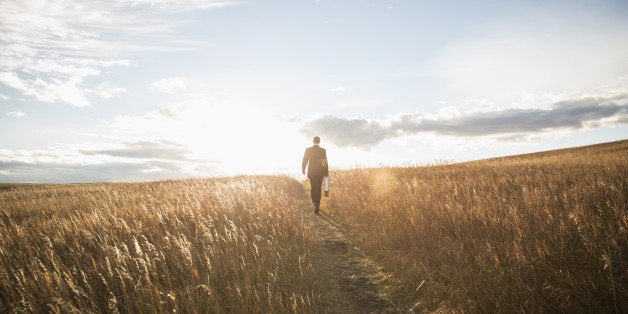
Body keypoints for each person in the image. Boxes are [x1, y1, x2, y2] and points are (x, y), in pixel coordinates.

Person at [302, 136, 329, 213]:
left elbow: (304, 160)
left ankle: (315, 205)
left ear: (313, 141)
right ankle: (318, 205)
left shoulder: (308, 150)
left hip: (312, 172)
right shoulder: (323, 150)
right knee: (318, 188)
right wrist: (326, 173)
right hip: (320, 172)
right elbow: (325, 162)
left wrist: (303, 169)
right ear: (319, 142)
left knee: (313, 188)